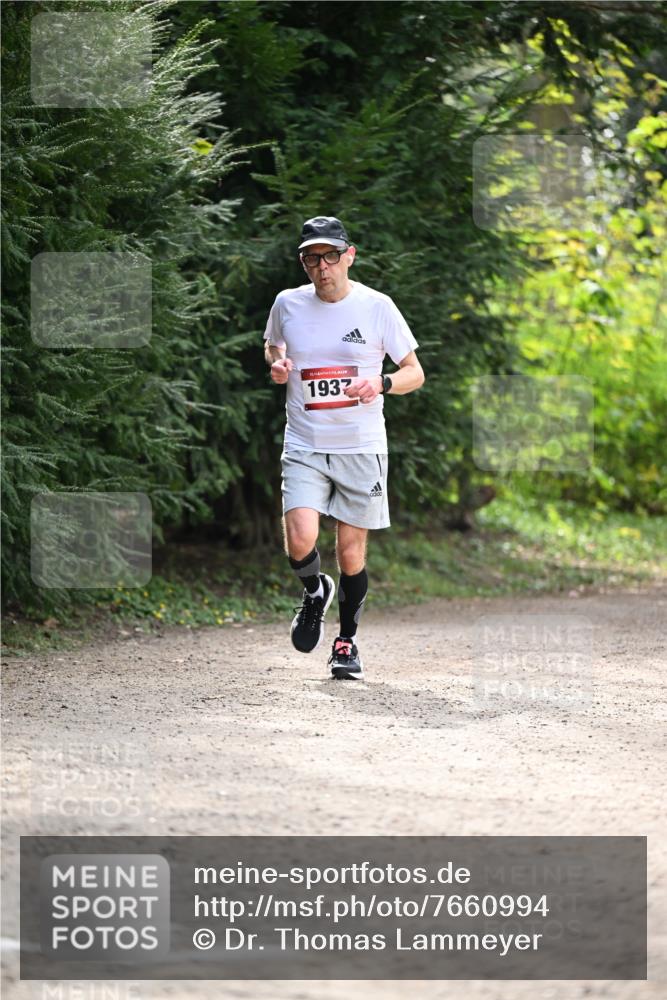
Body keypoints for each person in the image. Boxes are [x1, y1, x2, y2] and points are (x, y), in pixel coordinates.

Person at [263, 216, 424, 680]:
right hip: (305, 442)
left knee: (351, 554)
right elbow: (273, 347)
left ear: (349, 256)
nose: (322, 267)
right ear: (303, 263)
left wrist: (382, 382)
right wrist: (278, 364)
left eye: (331, 256)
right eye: (312, 258)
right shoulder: (287, 303)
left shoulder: (377, 307)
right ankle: (315, 590)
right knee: (300, 539)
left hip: (360, 446)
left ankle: (346, 641)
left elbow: (415, 372)